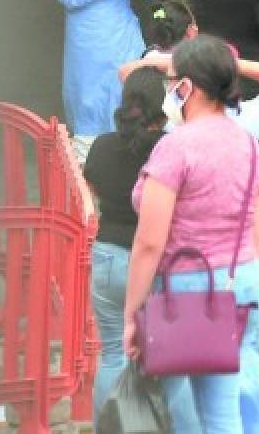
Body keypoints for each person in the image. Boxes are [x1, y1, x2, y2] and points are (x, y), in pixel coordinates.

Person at [122, 36, 259, 432]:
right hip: (243, 280)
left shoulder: (176, 148)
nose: (166, 90)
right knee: (224, 412)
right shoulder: (250, 145)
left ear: (186, 87)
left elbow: (150, 242)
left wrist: (132, 314)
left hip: (189, 290)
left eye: (169, 80)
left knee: (183, 411)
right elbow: (256, 233)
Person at [83, 68, 198, 432]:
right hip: (154, 263)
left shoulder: (101, 145)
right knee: (170, 359)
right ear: (162, 105)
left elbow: (94, 192)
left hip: (107, 259)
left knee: (114, 353)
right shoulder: (172, 148)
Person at [54, 0, 161, 161]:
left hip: (122, 34)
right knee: (88, 93)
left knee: (126, 88)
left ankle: (128, 150)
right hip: (87, 39)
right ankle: (86, 157)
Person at [120, 47, 259, 143]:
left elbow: (126, 72)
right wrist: (227, 64)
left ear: (186, 87)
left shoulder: (168, 122)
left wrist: (179, 60)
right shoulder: (245, 122)